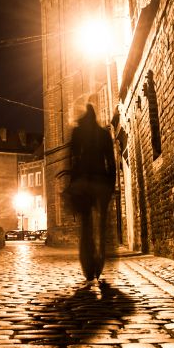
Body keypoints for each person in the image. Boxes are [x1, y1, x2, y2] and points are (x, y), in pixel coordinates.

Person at [67, 104, 116, 282]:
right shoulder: (103, 134)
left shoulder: (77, 133)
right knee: (102, 226)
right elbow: (111, 161)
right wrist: (112, 184)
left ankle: (88, 265)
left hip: (83, 182)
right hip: (101, 182)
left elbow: (72, 160)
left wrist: (72, 183)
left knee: (86, 224)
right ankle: (100, 261)